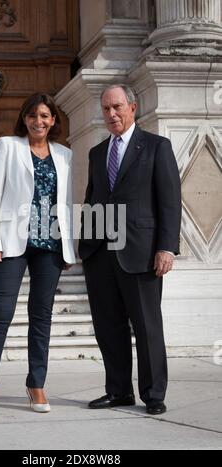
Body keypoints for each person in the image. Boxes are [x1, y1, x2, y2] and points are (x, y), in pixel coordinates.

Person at [0, 93, 75, 419]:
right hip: (11, 243)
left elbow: (67, 203)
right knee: (0, 314)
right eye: (32, 115)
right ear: (24, 118)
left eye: (45, 116)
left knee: (41, 316)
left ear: (53, 120)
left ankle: (36, 384)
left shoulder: (65, 155)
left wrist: (69, 245)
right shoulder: (7, 145)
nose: (38, 121)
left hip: (50, 246)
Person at [78, 85, 181, 415]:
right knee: (108, 326)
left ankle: (154, 394)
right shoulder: (96, 153)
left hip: (141, 252)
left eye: (118, 107)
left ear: (133, 107)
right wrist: (84, 249)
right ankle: (118, 390)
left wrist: (166, 247)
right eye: (106, 108)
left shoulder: (156, 147)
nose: (112, 114)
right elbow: (93, 201)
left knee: (147, 326)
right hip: (101, 255)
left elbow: (169, 202)